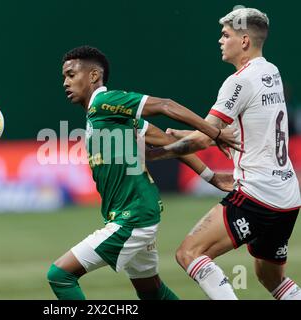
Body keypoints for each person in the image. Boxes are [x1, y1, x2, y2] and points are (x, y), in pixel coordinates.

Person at [46, 45, 239, 300]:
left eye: (71, 75)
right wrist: (210, 176)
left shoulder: (105, 101)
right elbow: (167, 143)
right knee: (151, 292)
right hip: (137, 213)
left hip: (132, 218)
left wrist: (213, 132)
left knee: (60, 275)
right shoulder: (110, 116)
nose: (65, 82)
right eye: (64, 77)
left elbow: (165, 105)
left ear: (93, 76)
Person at [149, 8, 301, 300]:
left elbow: (205, 138)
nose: (220, 40)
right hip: (288, 196)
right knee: (269, 277)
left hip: (258, 194)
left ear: (244, 41)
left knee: (189, 253)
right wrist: (181, 135)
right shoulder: (271, 72)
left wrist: (155, 155)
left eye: (226, 35)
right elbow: (224, 134)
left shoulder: (238, 81)